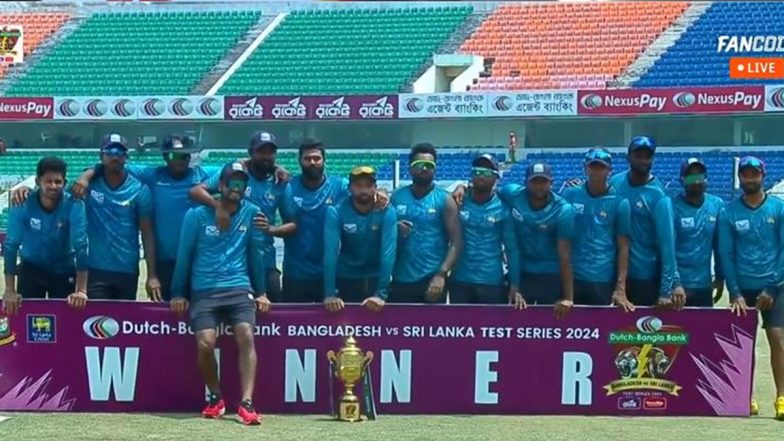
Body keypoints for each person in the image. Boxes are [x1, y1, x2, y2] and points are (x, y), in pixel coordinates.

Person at [170, 162, 270, 426]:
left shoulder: (252, 213)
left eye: (241, 184)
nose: (236, 188)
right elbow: (184, 256)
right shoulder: (196, 215)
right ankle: (216, 397)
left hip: (239, 287)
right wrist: (178, 292)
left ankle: (247, 403)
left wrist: (261, 292)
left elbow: (255, 256)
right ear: (221, 185)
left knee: (246, 335)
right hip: (204, 289)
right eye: (231, 183)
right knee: (205, 343)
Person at [10, 134, 160, 301]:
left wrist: (152, 274)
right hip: (94, 270)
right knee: (89, 324)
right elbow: (53, 192)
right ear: (101, 156)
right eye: (109, 152)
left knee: (122, 324)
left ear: (126, 157)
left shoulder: (140, 190)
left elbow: (146, 232)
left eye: (120, 152)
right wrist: (26, 190)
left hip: (127, 269)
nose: (115, 156)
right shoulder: (85, 186)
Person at [74, 135, 220, 301]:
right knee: (166, 316)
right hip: (165, 260)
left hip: (199, 258)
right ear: (165, 157)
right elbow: (111, 166)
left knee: (203, 310)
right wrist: (86, 176)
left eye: (184, 155)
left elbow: (236, 169)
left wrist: (216, 203)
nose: (179, 160)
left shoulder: (204, 174)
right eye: (173, 155)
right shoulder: (152, 175)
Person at [190, 131, 295, 303]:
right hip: (234, 263)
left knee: (273, 314)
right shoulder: (236, 174)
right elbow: (196, 191)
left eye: (270, 152)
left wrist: (271, 229)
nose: (266, 156)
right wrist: (218, 206)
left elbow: (293, 224)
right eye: (261, 151)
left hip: (265, 260)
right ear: (251, 153)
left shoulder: (280, 182)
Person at [718, 156, 784, 420]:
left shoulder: (778, 209)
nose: (750, 178)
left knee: (778, 338)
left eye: (754, 174)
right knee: (742, 344)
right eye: (745, 174)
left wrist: (771, 287)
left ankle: (781, 396)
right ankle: (744, 396)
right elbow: (726, 254)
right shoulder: (728, 212)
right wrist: (733, 292)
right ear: (740, 178)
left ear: (762, 176)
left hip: (775, 286)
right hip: (742, 288)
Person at [281, 138, 387, 303]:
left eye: (317, 158)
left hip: (331, 273)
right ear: (299, 161)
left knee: (332, 327)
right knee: (294, 327)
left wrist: (381, 192)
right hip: (296, 272)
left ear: (324, 160)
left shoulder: (339, 185)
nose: (312, 162)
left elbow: (362, 189)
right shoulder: (289, 187)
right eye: (307, 159)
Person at [2, 157, 88, 314]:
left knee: (65, 322)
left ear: (65, 182)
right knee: (28, 322)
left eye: (58, 181)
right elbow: (11, 245)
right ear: (37, 181)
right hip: (31, 269)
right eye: (48, 181)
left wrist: (81, 290)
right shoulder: (23, 203)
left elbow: (81, 245)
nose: (53, 186)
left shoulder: (74, 204)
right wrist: (9, 290)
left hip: (63, 269)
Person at [609, 136, 681, 308]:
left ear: (653, 159)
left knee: (638, 332)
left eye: (647, 156)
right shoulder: (615, 183)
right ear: (628, 157)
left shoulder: (658, 196)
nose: (642, 160)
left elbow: (667, 245)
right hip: (614, 274)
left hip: (644, 277)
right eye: (637, 155)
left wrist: (665, 290)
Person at [389, 143, 463, 304]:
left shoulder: (445, 199)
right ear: (409, 169)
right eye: (419, 164)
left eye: (429, 165)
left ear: (435, 169)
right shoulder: (396, 197)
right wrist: (394, 228)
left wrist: (441, 274)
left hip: (432, 279)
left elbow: (456, 241)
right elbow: (383, 232)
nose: (424, 168)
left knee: (433, 328)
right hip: (400, 278)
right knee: (399, 328)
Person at [562, 148, 632, 310]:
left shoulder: (620, 202)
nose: (596, 171)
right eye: (592, 166)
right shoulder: (570, 195)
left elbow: (623, 247)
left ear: (610, 170)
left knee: (601, 330)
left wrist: (620, 288)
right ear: (585, 168)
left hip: (602, 279)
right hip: (571, 277)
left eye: (601, 167)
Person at [449, 154, 522, 307]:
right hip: (460, 280)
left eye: (487, 172)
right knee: (459, 328)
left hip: (491, 282)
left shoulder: (503, 208)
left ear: (497, 177)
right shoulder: (457, 202)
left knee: (490, 329)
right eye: (477, 171)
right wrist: (461, 186)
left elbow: (512, 249)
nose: (481, 176)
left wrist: (515, 284)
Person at [323, 166, 396, 312]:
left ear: (375, 187)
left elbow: (388, 252)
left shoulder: (387, 211)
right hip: (346, 278)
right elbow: (330, 252)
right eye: (358, 185)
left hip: (375, 278)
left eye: (368, 186)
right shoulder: (336, 211)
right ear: (350, 187)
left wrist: (381, 294)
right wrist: (329, 294)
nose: (364, 190)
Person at [672, 158, 725, 307]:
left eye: (700, 177)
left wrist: (720, 276)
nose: (696, 182)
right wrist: (675, 283)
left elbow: (719, 245)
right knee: (676, 330)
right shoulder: (672, 207)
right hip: (678, 287)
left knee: (703, 329)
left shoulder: (717, 205)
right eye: (691, 177)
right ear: (681, 180)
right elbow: (668, 249)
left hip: (704, 285)